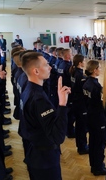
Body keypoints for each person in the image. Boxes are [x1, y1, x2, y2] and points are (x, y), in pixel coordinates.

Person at [20, 52, 70, 180]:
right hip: (44, 159)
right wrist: (62, 104)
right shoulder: (39, 99)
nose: (50, 67)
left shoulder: (28, 88)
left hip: (35, 151)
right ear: (36, 71)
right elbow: (58, 136)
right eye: (46, 64)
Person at [83, 60, 106, 176]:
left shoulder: (86, 82)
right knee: (99, 143)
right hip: (98, 118)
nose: (100, 69)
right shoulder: (96, 86)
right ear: (94, 70)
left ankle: (94, 164)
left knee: (93, 142)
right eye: (99, 68)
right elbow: (102, 104)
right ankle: (98, 167)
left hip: (90, 115)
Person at [69, 55, 89, 154]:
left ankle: (81, 145)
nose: (85, 62)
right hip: (80, 104)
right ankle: (82, 147)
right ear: (80, 63)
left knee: (79, 126)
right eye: (83, 61)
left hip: (75, 101)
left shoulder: (73, 72)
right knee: (82, 127)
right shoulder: (80, 76)